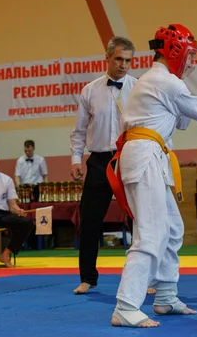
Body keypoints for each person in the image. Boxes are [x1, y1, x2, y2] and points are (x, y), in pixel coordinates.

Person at [108, 24, 197, 328]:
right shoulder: (164, 80)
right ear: (175, 52)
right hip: (144, 156)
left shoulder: (160, 81)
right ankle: (126, 305)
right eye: (190, 55)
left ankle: (165, 295)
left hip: (151, 156)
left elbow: (182, 119)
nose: (192, 62)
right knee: (151, 233)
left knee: (172, 227)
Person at [69, 36, 138, 295]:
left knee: (140, 219)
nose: (123, 65)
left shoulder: (139, 88)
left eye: (128, 60)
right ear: (107, 58)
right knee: (89, 220)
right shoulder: (90, 90)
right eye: (118, 59)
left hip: (129, 156)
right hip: (98, 161)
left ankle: (148, 278)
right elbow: (78, 132)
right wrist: (76, 160)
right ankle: (88, 277)